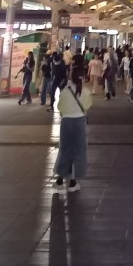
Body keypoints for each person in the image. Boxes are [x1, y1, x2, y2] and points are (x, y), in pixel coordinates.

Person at [54, 64, 92, 192]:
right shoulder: (85, 91)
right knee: (79, 151)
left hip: (66, 122)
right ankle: (73, 182)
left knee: (65, 150)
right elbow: (87, 106)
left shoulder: (65, 91)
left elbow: (59, 107)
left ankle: (60, 180)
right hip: (79, 121)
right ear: (83, 77)